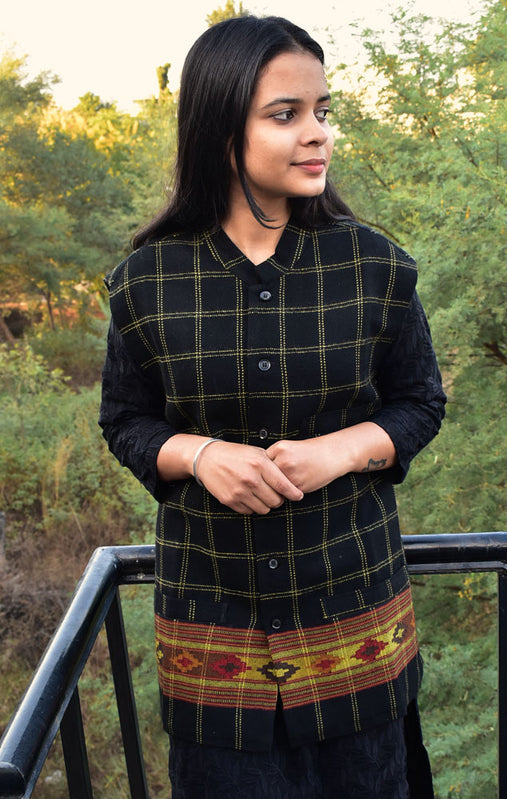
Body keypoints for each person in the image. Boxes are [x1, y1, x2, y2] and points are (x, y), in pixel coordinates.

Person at [99, 15, 445, 799]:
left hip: (356, 637)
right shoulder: (146, 280)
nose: (318, 133)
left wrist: (341, 449)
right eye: (285, 114)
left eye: (322, 110)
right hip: (213, 653)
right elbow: (125, 421)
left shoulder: (375, 265)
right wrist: (200, 455)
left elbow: (419, 401)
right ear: (222, 129)